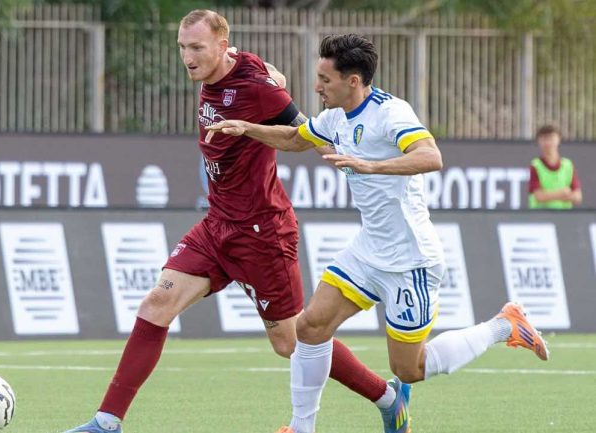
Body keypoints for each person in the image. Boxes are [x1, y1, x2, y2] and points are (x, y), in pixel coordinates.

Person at [61, 12, 398, 433]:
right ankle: (107, 422)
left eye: (196, 47)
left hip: (262, 232)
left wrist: (363, 164)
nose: (187, 56)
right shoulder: (228, 65)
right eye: (183, 47)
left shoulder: (255, 87)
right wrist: (272, 73)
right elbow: (261, 67)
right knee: (156, 304)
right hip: (217, 223)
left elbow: (305, 134)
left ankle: (386, 395)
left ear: (222, 45)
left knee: (291, 341)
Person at [207, 34, 550, 433]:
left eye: (324, 79)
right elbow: (295, 138)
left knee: (410, 368)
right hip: (370, 249)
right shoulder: (335, 116)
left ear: (353, 81)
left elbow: (431, 156)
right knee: (310, 326)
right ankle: (301, 428)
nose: (316, 87)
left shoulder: (391, 113)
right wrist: (247, 128)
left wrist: (371, 166)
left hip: (410, 260)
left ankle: (504, 325)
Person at [529, 124, 582, 209]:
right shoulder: (536, 166)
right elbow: (538, 196)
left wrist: (551, 196)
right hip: (541, 217)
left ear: (558, 139)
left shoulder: (568, 165)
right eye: (544, 138)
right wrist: (562, 193)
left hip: (564, 217)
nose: (548, 143)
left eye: (551, 138)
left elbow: (577, 197)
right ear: (538, 141)